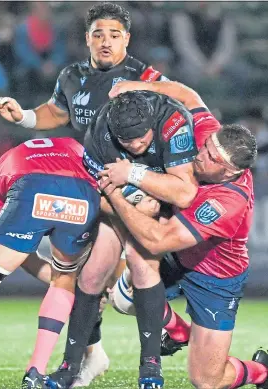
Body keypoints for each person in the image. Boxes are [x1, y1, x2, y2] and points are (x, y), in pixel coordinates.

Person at [0, 3, 168, 384]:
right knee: (85, 277)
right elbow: (56, 114)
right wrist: (22, 116)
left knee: (140, 267)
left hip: (138, 187)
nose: (106, 42)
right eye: (98, 34)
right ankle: (85, 360)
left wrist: (155, 183)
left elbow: (174, 113)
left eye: (114, 34)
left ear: (127, 39)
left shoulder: (146, 76)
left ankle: (152, 362)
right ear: (87, 38)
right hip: (94, 187)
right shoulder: (72, 76)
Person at [98, 89, 268, 389]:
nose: (199, 155)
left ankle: (261, 372)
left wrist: (121, 186)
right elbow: (188, 95)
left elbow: (158, 240)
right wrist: (136, 85)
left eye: (211, 158)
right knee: (124, 299)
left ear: (230, 173)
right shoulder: (212, 140)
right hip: (178, 257)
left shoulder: (228, 202)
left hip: (215, 279)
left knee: (206, 380)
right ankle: (177, 331)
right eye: (205, 147)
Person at [45, 90, 198, 389]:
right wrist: (132, 206)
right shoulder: (99, 135)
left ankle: (150, 367)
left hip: (168, 205)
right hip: (119, 202)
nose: (139, 145)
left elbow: (184, 193)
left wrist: (132, 172)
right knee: (91, 275)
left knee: (142, 264)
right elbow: (99, 195)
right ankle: (69, 366)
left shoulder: (173, 122)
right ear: (115, 136)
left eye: (144, 139)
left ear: (152, 124)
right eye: (129, 143)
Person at [0, 137, 101, 389]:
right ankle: (35, 370)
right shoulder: (74, 146)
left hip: (28, 187)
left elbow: (19, 253)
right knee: (64, 279)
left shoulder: (6, 163)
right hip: (82, 194)